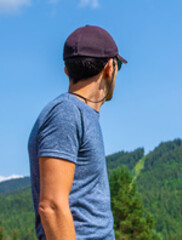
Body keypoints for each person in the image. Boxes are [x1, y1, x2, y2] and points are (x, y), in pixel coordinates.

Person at [27, 25, 127, 240]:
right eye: (118, 65)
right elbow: (51, 206)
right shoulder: (67, 112)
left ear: (66, 70)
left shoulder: (78, 114)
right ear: (110, 67)